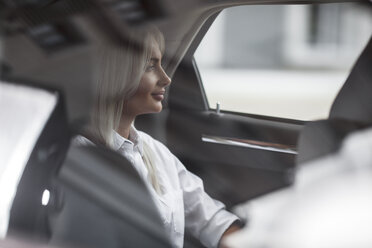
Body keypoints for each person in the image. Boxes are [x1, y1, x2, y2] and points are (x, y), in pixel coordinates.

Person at [76, 25, 241, 248]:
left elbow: (211, 220)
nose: (166, 78)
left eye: (161, 65)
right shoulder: (79, 158)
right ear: (117, 74)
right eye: (150, 66)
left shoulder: (155, 152)